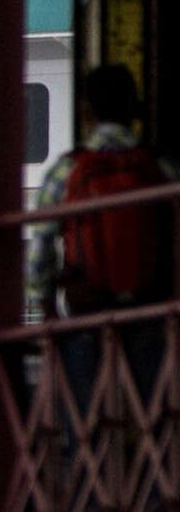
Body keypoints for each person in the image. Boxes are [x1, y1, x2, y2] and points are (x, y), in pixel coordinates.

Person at [36, 62, 174, 403]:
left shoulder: (67, 170)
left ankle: (85, 453)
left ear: (86, 111)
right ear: (134, 109)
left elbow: (39, 249)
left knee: (85, 423)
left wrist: (47, 309)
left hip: (88, 312)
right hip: (151, 311)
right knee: (160, 422)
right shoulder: (160, 167)